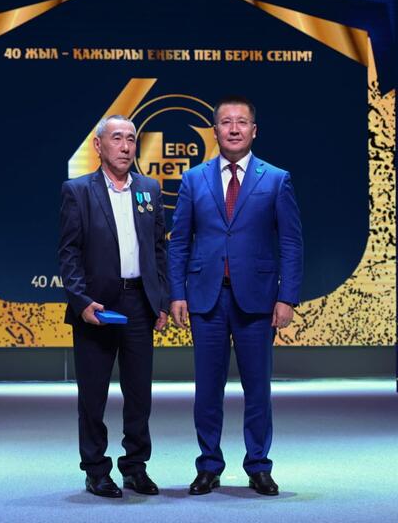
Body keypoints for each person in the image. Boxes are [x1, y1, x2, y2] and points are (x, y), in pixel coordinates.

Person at [168, 96, 303, 496]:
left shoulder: (276, 179)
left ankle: (258, 466)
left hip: (258, 299)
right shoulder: (193, 179)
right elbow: (179, 243)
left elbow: (291, 243)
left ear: (253, 130)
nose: (233, 128)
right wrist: (177, 293)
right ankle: (209, 465)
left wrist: (287, 297)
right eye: (226, 122)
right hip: (206, 298)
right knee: (207, 389)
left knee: (257, 388)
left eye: (241, 122)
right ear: (215, 131)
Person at [59, 114, 168, 498]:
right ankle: (95, 470)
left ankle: (135, 467)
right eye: (117, 138)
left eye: (131, 139)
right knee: (93, 395)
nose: (125, 146)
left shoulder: (149, 189)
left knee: (139, 393)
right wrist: (82, 301)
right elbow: (69, 253)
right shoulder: (78, 191)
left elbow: (159, 250)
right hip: (97, 307)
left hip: (139, 303)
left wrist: (161, 300)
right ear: (99, 145)